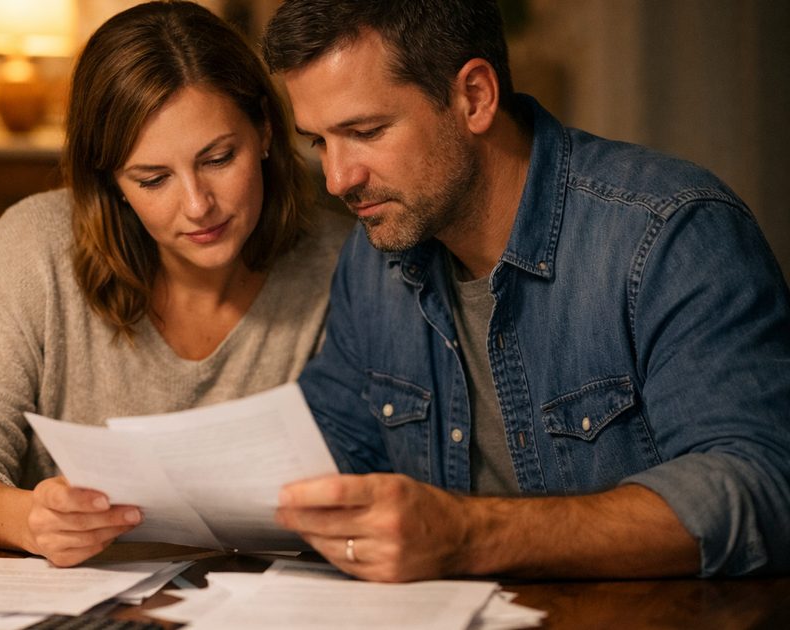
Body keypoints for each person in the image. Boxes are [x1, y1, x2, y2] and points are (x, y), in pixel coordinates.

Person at [261, 0, 790, 582]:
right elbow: (328, 443)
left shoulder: (667, 232)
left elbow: (759, 486)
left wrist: (468, 535)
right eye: (319, 142)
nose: (338, 179)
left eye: (365, 132)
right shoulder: (374, 258)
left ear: (475, 97)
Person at [0, 0, 350, 568]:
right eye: (153, 179)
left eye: (217, 158)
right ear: (111, 182)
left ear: (264, 130)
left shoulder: (343, 264)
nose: (197, 205)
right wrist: (31, 519)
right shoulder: (34, 248)